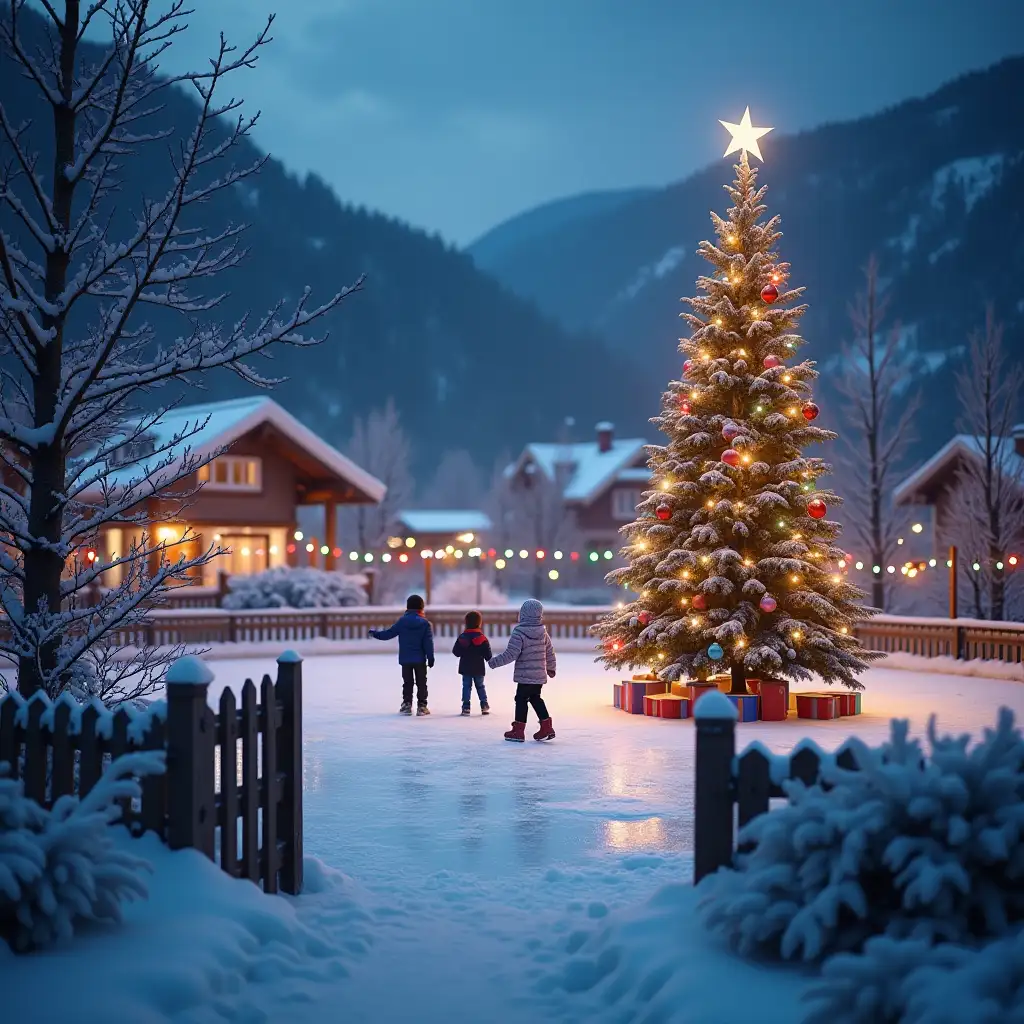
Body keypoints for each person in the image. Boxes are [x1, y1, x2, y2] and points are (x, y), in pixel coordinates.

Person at [488, 598, 556, 742]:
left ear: (523, 615)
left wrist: (494, 662)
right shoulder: (543, 632)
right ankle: (546, 726)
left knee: (521, 699)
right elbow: (550, 652)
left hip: (525, 675)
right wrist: (551, 668)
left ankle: (518, 730)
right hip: (538, 675)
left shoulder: (519, 632)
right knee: (535, 698)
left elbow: (511, 654)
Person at [369, 594, 434, 715]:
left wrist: (375, 634)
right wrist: (430, 657)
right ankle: (422, 706)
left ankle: (406, 705)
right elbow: (428, 643)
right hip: (420, 659)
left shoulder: (402, 622)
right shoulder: (425, 624)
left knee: (407, 683)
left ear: (408, 608)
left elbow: (388, 634)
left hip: (406, 659)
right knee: (421, 683)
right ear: (421, 608)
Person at [452, 610, 492, 716]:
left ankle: (466, 707)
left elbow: (456, 652)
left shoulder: (462, 638)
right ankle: (484, 705)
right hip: (478, 667)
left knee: (466, 686)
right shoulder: (482, 639)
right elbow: (488, 656)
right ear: (479, 623)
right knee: (480, 686)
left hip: (465, 667)